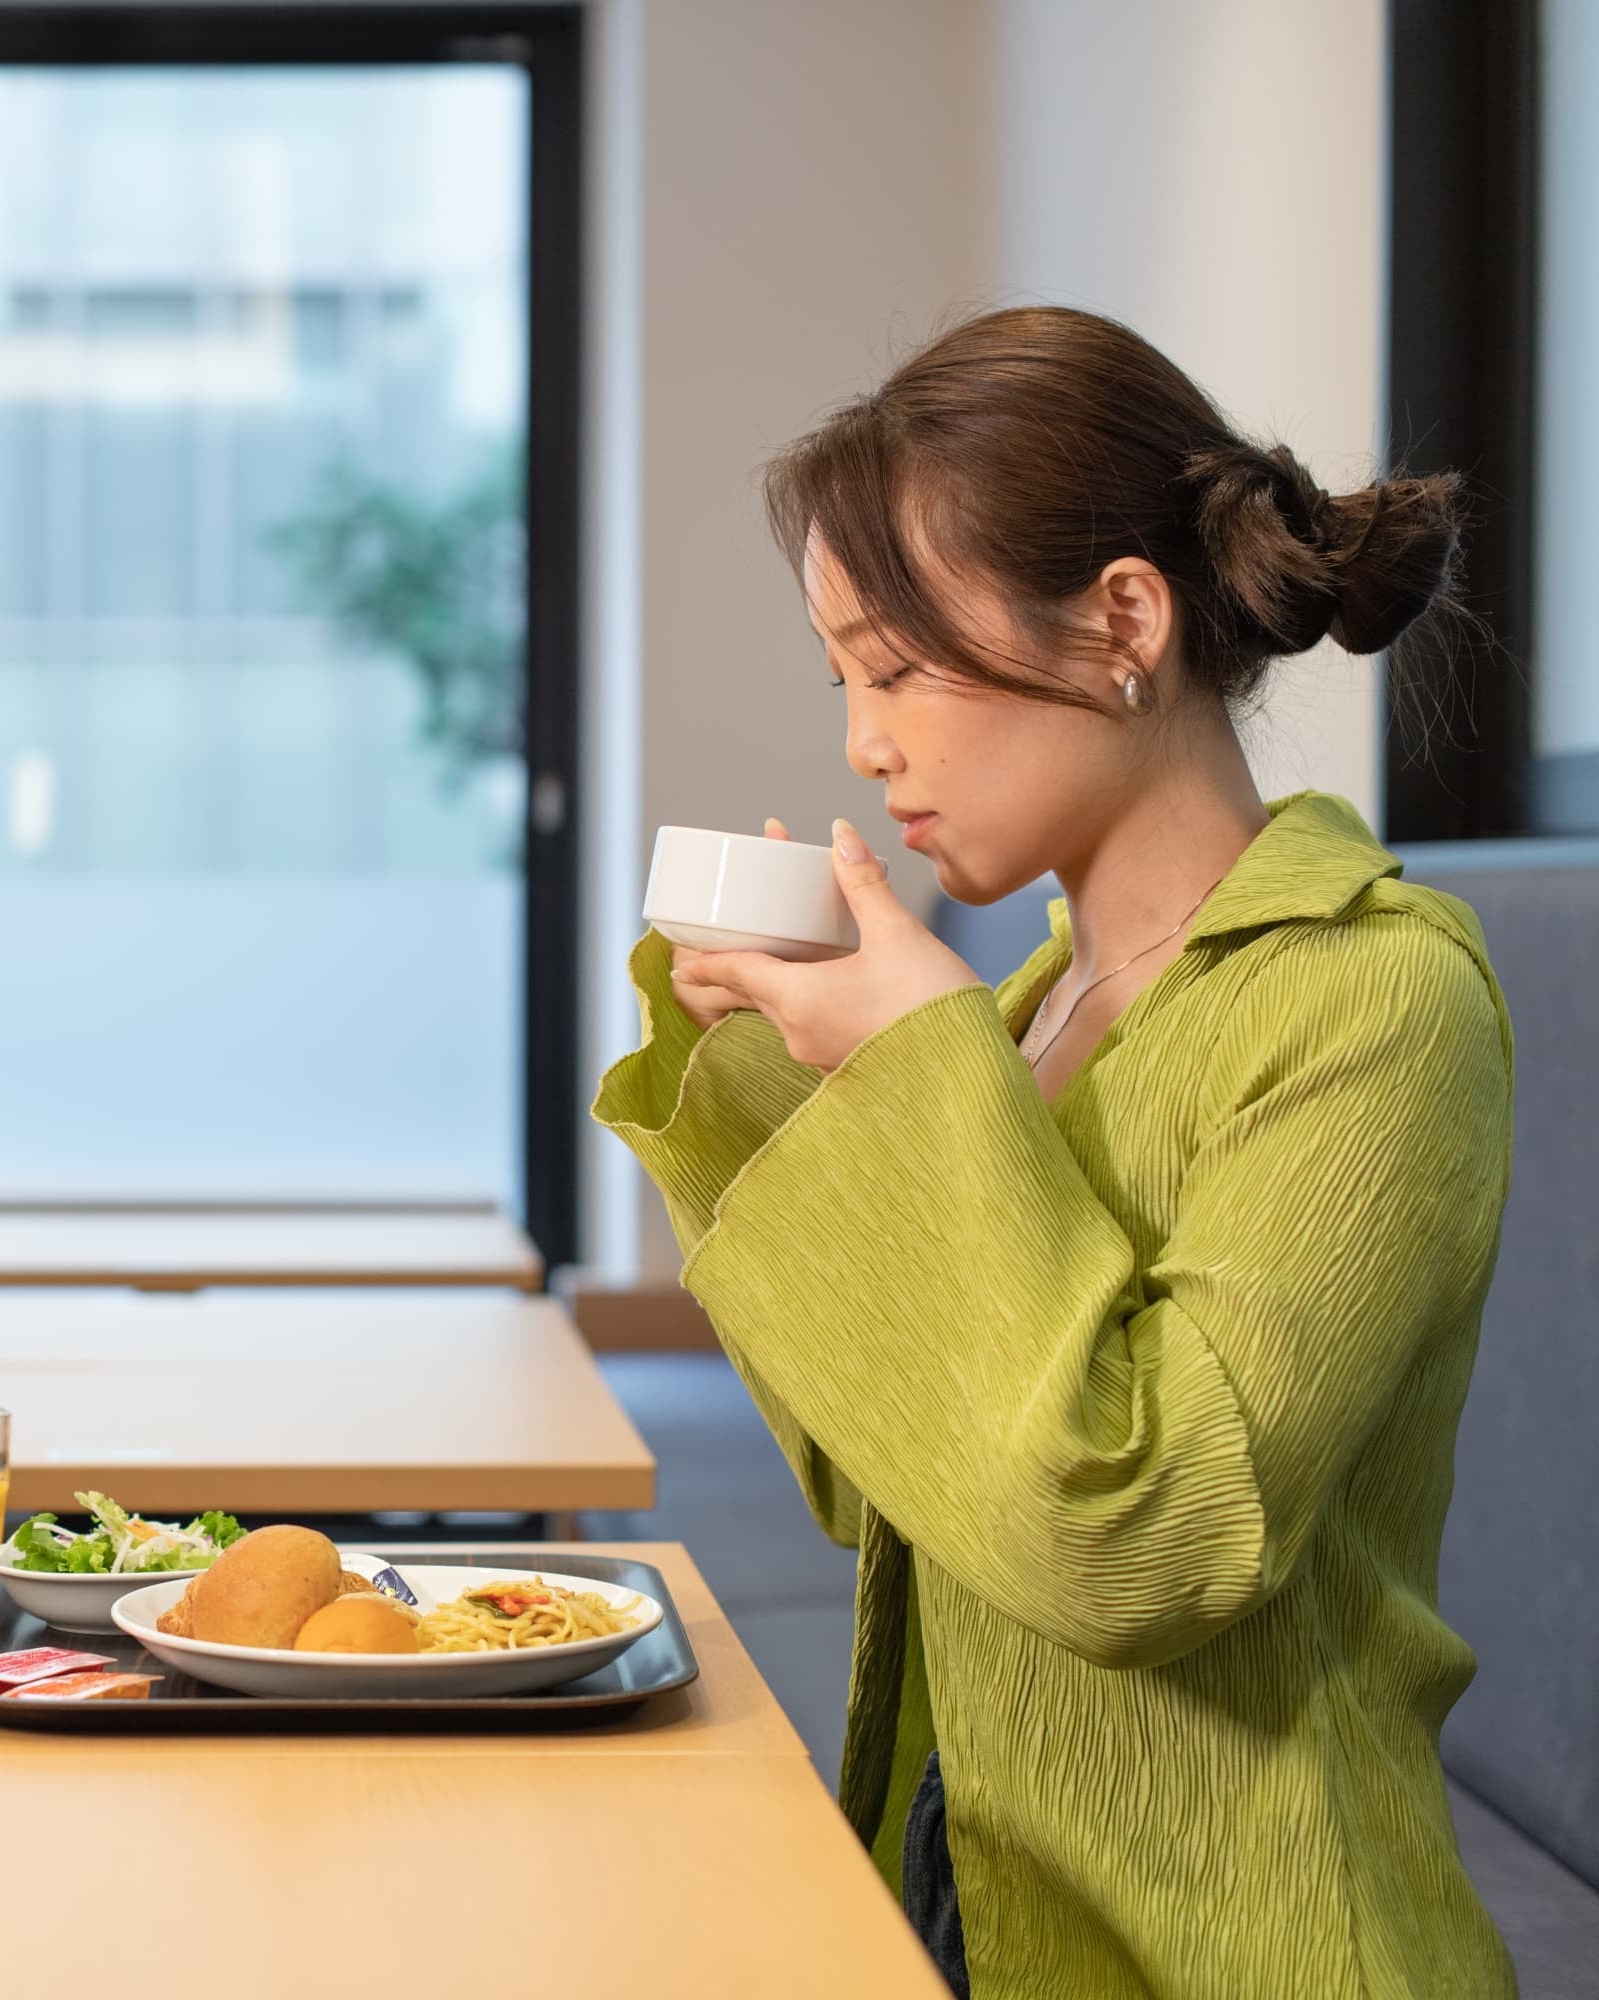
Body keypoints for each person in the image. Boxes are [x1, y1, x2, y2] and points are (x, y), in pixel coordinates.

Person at [595, 306, 1515, 1998]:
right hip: (966, 1882)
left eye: (895, 668)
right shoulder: (1023, 1009)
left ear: (1121, 623)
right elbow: (881, 1487)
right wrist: (778, 1081)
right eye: (842, 682)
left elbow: (1136, 1539)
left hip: (1248, 1950)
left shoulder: (1376, 998)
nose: (864, 743)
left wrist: (912, 1068)